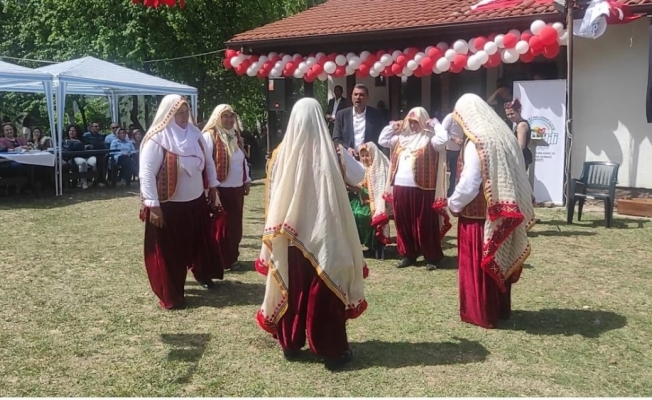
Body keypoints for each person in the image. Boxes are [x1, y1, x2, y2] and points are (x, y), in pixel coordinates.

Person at [255, 97, 367, 371]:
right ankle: (330, 349)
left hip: (292, 236)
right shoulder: (333, 152)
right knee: (325, 288)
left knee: (292, 287)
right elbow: (360, 175)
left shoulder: (282, 154)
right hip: (326, 233)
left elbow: (275, 194)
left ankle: (291, 343)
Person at [448, 93, 535, 329]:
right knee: (498, 256)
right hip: (501, 212)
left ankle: (480, 312)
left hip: (477, 216)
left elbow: (470, 182)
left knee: (478, 263)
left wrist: (453, 204)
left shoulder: (477, 140)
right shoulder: (501, 134)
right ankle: (499, 308)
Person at [139, 94, 223, 310]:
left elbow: (209, 164)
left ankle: (203, 274)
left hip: (195, 203)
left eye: (187, 112)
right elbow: (147, 173)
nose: (185, 117)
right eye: (179, 113)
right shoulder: (157, 138)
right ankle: (172, 293)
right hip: (169, 205)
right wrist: (153, 205)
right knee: (170, 252)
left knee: (197, 242)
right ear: (169, 114)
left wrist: (213, 187)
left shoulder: (196, 135)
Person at [378, 107, 451, 271]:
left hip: (424, 188)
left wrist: (436, 124)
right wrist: (393, 126)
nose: (412, 125)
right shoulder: (400, 138)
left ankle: (431, 256)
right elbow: (382, 139)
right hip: (400, 187)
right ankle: (408, 254)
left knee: (424, 223)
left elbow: (443, 140)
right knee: (403, 222)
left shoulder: (430, 139)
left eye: (416, 122)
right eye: (410, 122)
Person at [202, 104, 251, 271]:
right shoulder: (210, 136)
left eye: (231, 116)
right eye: (225, 116)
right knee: (221, 226)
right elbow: (206, 163)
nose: (229, 120)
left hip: (236, 188)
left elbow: (242, 160)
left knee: (235, 225)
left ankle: (232, 257)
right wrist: (210, 188)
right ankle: (220, 259)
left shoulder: (235, 136)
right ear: (217, 118)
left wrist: (247, 180)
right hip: (220, 189)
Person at [349, 142, 391, 260]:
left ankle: (376, 246)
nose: (364, 158)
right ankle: (359, 246)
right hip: (361, 201)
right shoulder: (361, 169)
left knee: (365, 215)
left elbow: (379, 190)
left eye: (367, 155)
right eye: (362, 156)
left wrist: (361, 189)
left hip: (375, 203)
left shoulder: (379, 170)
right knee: (352, 213)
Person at [332, 84, 385, 157]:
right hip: (348, 159)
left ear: (367, 98)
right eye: (355, 94)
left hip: (370, 159)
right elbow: (336, 138)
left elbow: (381, 137)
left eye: (361, 95)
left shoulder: (376, 115)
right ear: (351, 97)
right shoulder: (341, 115)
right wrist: (347, 149)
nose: (358, 97)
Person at [441, 112, 465, 198]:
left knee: (454, 173)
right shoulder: (450, 117)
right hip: (447, 149)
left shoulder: (463, 118)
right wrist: (454, 139)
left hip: (458, 150)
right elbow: (442, 132)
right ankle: (441, 193)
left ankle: (451, 192)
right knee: (443, 171)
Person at [504, 99, 533, 171]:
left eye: (512, 113)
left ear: (519, 111)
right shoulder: (519, 125)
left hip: (520, 159)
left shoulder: (521, 125)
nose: (510, 116)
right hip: (520, 158)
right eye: (508, 114)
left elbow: (521, 146)